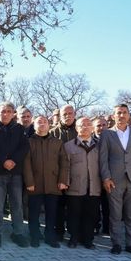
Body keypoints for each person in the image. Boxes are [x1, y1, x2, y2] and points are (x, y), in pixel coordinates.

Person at [99, 104, 131, 255]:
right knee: (115, 214)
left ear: (128, 115)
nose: (121, 115)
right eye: (118, 113)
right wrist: (106, 177)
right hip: (114, 179)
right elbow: (103, 158)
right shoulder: (107, 134)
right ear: (113, 116)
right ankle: (117, 243)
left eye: (124, 113)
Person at [0, 103, 29, 248]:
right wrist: (3, 161)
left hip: (15, 172)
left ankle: (18, 233)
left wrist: (13, 160)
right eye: (3, 111)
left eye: (9, 111)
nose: (6, 114)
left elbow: (24, 147)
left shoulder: (19, 129)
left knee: (17, 204)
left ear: (13, 113)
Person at [24, 116, 68, 248]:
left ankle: (50, 236)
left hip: (53, 183)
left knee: (51, 212)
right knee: (34, 212)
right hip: (35, 184)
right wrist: (29, 182)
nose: (42, 124)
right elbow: (26, 163)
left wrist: (62, 180)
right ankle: (35, 236)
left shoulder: (57, 142)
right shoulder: (28, 142)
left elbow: (64, 162)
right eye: (39, 122)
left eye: (44, 122)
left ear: (49, 125)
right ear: (34, 125)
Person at [64, 117, 102, 249]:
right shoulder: (68, 146)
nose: (85, 127)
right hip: (75, 186)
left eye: (88, 125)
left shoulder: (99, 145)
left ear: (92, 128)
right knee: (74, 214)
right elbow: (65, 166)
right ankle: (73, 238)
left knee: (90, 214)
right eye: (81, 125)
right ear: (76, 128)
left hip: (94, 186)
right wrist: (66, 182)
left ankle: (88, 239)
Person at [50, 104, 77, 242]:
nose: (67, 116)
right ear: (60, 116)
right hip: (58, 174)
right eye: (64, 114)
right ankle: (58, 231)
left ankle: (73, 233)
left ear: (74, 114)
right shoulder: (53, 132)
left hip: (76, 174)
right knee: (59, 206)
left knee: (73, 206)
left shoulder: (80, 130)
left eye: (70, 113)